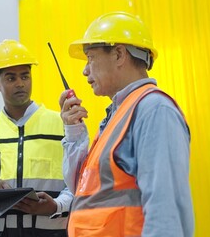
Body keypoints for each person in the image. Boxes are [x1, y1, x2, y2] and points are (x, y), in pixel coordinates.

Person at [58, 12, 194, 237]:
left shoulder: (154, 110)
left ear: (119, 54)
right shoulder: (119, 114)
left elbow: (165, 211)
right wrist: (73, 132)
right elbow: (85, 194)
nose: (85, 70)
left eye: (90, 57)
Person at [0, 39, 72, 237]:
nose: (20, 83)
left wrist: (56, 205)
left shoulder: (62, 125)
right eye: (11, 78)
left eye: (25, 76)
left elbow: (80, 187)